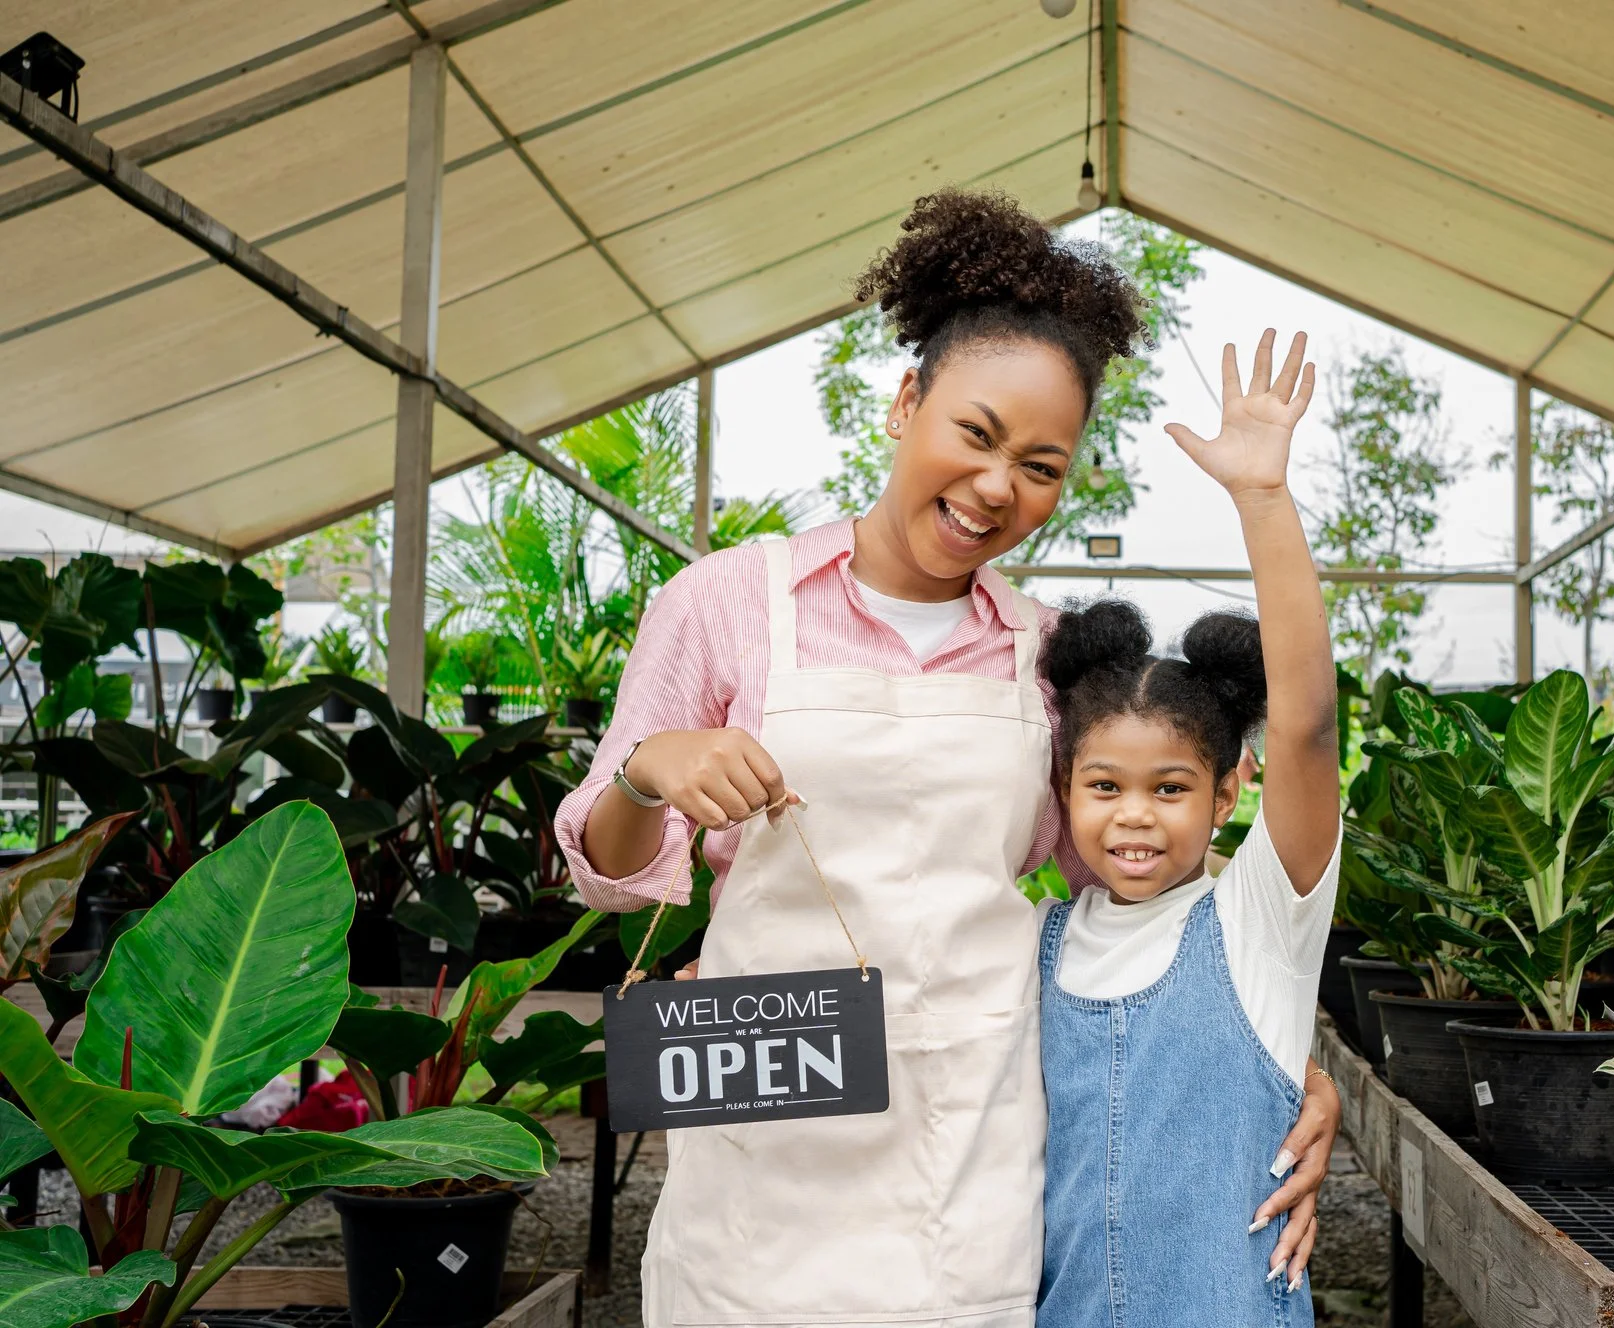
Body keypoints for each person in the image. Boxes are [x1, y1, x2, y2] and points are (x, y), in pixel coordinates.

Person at [552, 191, 1340, 1328]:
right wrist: (646, 770)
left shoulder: (1051, 655)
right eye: (974, 434)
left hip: (974, 1155)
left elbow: (1134, 900)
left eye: (1040, 464)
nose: (993, 489)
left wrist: (1272, 1067)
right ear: (906, 398)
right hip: (765, 1149)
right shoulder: (727, 603)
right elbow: (604, 867)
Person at [1035, 330, 1338, 1326]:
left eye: (1168, 787)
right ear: (1061, 788)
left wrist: (1260, 498)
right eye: (1101, 784)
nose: (1132, 814)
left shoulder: (1261, 921)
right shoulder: (1030, 947)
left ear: (1227, 790)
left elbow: (1304, 723)